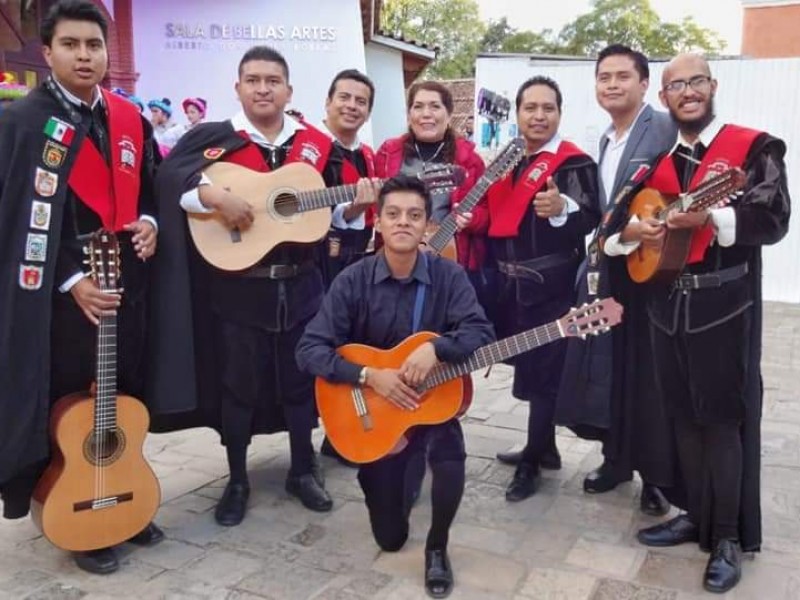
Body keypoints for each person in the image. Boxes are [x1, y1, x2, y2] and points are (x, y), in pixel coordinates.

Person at [605, 53, 790, 593]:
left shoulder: (752, 148)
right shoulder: (655, 166)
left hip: (723, 308)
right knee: (682, 416)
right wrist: (638, 234)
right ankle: (691, 512)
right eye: (675, 85)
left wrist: (713, 215)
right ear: (663, 98)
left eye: (696, 81)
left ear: (712, 86)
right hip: (665, 309)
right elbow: (611, 236)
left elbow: (773, 215)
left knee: (721, 422)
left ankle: (728, 536)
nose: (687, 91)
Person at [0, 0, 163, 574]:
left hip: (127, 289)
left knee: (125, 396)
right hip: (58, 302)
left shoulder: (128, 119)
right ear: (48, 53)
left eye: (94, 45)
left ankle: (126, 500)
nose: (85, 56)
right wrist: (71, 279)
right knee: (68, 406)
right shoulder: (20, 123)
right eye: (71, 45)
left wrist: (150, 222)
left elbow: (149, 188)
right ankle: (79, 510)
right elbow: (18, 217)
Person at [147, 45, 334, 528]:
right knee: (237, 385)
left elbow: (330, 208)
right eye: (253, 79)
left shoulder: (312, 146)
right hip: (237, 288)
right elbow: (169, 178)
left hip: (301, 288)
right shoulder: (214, 139)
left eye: (273, 80)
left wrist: (357, 204)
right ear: (238, 88)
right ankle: (236, 479)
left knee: (300, 382)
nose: (263, 88)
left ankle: (302, 467)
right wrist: (210, 194)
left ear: (289, 90)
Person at [296, 174, 494, 599]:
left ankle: (438, 546)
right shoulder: (353, 280)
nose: (403, 222)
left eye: (414, 215)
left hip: (428, 405)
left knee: (450, 456)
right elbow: (310, 349)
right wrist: (369, 376)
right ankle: (396, 472)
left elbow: (481, 331)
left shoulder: (448, 276)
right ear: (379, 223)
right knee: (390, 537)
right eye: (393, 214)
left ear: (426, 225)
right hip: (373, 411)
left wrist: (438, 348)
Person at [553, 44, 677, 516]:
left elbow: (673, 195)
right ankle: (617, 459)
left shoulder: (663, 127)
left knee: (650, 374)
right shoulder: (605, 139)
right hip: (612, 270)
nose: (612, 84)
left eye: (623, 76)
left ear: (645, 84)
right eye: (604, 76)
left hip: (653, 269)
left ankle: (657, 477)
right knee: (614, 367)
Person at [489, 76, 600, 502]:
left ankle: (533, 462)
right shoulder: (507, 159)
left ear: (559, 113)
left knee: (544, 374)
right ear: (517, 113)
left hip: (551, 286)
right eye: (530, 107)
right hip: (509, 284)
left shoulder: (574, 164)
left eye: (548, 108)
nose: (538, 115)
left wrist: (561, 209)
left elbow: (592, 215)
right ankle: (545, 447)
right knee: (527, 369)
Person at [317, 69, 381, 467]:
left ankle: (339, 432)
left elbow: (357, 213)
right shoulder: (306, 147)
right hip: (316, 264)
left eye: (361, 101)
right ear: (328, 101)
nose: (351, 106)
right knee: (322, 348)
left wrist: (360, 206)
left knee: (353, 345)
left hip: (355, 263)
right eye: (344, 97)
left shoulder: (366, 155)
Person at [374, 81, 488, 304]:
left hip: (447, 257)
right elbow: (375, 208)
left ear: (448, 114)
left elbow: (486, 212)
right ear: (409, 115)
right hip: (394, 257)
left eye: (435, 106)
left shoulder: (470, 160)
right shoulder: (388, 154)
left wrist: (472, 220)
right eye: (418, 106)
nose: (426, 114)